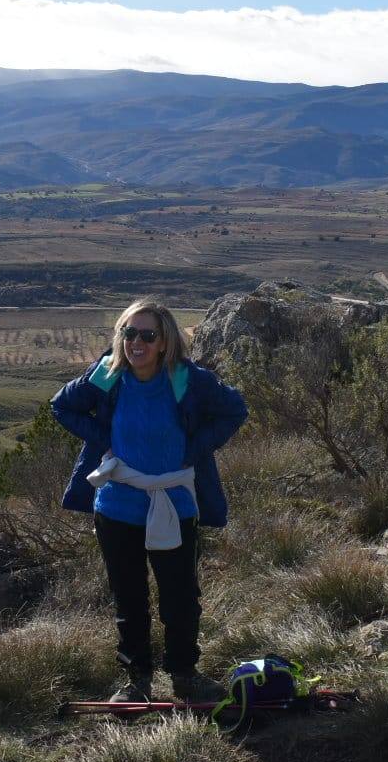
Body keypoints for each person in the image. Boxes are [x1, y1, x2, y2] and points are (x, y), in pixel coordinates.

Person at [52, 300, 248, 704]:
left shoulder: (186, 379)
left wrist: (193, 450)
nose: (136, 342)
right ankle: (137, 679)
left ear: (164, 342)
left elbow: (234, 410)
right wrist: (105, 441)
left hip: (174, 503)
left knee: (180, 597)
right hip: (117, 505)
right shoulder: (107, 374)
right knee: (129, 596)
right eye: (129, 333)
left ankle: (184, 676)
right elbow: (62, 406)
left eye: (147, 335)